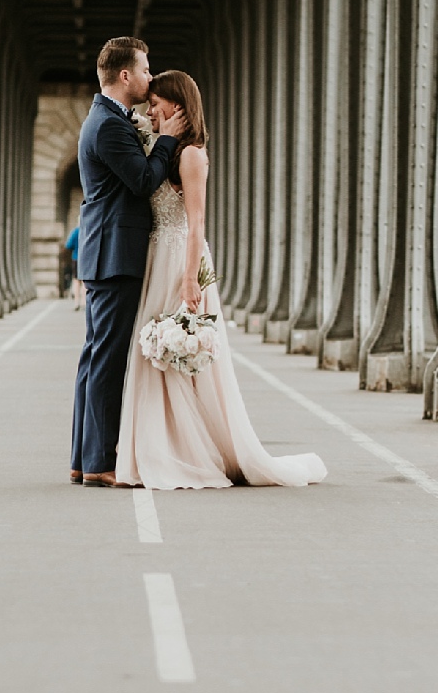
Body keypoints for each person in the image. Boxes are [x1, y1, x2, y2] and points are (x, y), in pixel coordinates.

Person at [115, 69, 327, 490]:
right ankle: (157, 450)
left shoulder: (192, 155)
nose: (150, 110)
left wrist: (191, 280)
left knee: (180, 359)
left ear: (176, 105)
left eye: (156, 103)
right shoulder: (163, 146)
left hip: (181, 259)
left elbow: (196, 223)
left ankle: (188, 452)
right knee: (153, 355)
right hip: (158, 258)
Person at [70, 37, 187, 486]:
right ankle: (100, 463)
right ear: (124, 76)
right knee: (108, 359)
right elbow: (140, 182)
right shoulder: (109, 126)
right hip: (116, 253)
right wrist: (168, 142)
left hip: (105, 250)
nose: (149, 77)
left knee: (95, 357)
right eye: (144, 69)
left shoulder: (106, 119)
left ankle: (84, 458)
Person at [64, 223, 84, 308]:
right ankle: (84, 301)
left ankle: (76, 302)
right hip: (87, 258)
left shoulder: (76, 231)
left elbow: (68, 245)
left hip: (76, 258)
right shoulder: (88, 229)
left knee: (76, 280)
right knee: (85, 281)